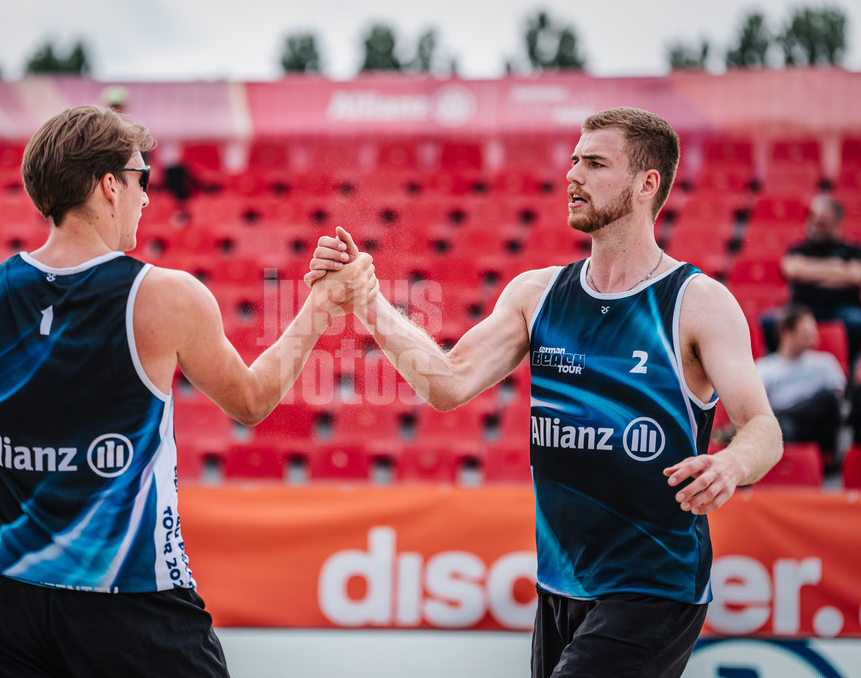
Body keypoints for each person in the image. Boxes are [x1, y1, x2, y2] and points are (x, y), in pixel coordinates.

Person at [0, 105, 376, 677]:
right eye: (140, 179)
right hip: (130, 602)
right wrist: (320, 306)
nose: (147, 197)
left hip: (6, 602)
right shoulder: (164, 297)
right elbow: (252, 400)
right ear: (108, 186)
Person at [307, 107, 782, 677]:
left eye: (596, 163)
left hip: (654, 586)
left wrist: (731, 464)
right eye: (574, 159)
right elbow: (448, 383)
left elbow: (763, 429)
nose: (573, 175)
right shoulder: (537, 293)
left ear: (645, 184)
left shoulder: (697, 302)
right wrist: (368, 300)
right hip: (559, 583)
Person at [775, 194, 861, 373]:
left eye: (823, 222)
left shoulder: (852, 250)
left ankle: (852, 374)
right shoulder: (799, 248)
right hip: (803, 308)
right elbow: (793, 270)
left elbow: (856, 275)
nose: (817, 226)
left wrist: (811, 271)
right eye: (814, 220)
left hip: (843, 308)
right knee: (770, 322)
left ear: (837, 223)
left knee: (857, 322)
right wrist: (838, 269)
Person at [756, 304, 846, 473]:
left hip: (816, 428)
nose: (813, 335)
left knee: (827, 399)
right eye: (806, 332)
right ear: (787, 334)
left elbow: (836, 404)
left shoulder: (825, 363)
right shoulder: (765, 368)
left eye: (813, 330)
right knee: (782, 426)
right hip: (785, 428)